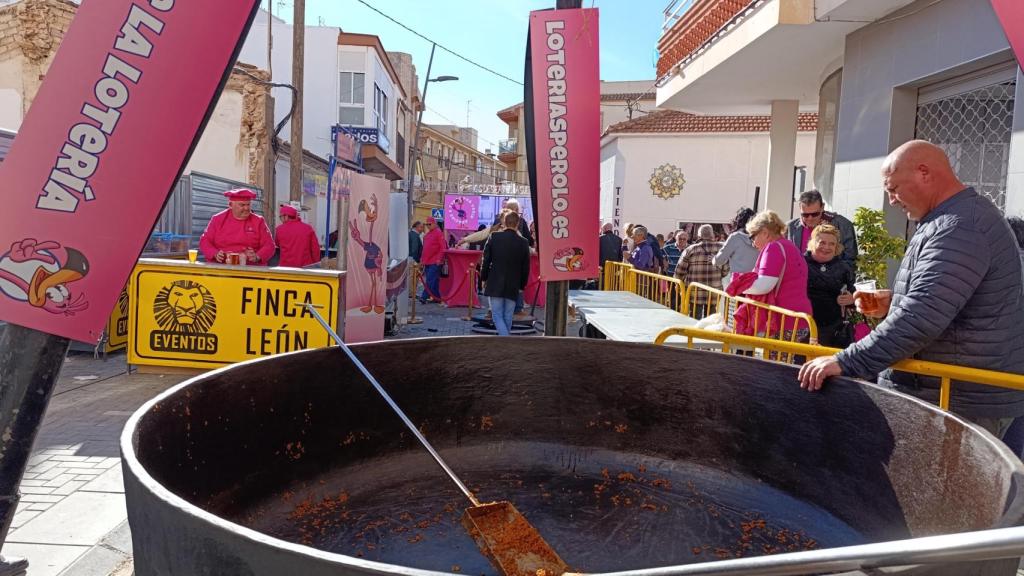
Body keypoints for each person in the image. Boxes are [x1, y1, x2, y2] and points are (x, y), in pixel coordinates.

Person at [798, 140, 1024, 438]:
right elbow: (950, 304)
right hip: (951, 395)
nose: (891, 200)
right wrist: (894, 303)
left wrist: (847, 360)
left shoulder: (961, 225)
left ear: (923, 173)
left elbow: (923, 315)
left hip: (957, 402)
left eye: (893, 189)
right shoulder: (952, 220)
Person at [743, 210, 813, 339]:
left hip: (784, 319)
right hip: (799, 317)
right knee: (785, 359)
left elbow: (764, 285)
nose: (753, 242)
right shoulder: (789, 246)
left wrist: (738, 284)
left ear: (765, 233)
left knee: (774, 359)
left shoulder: (773, 247)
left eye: (752, 236)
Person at [804, 224, 855, 347]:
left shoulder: (843, 268)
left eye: (831, 244)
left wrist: (850, 299)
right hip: (803, 327)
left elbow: (854, 294)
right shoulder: (801, 262)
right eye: (822, 242)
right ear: (812, 243)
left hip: (832, 330)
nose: (826, 247)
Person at [480, 211, 530, 336]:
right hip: (513, 284)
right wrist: (522, 286)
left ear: (504, 222)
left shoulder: (494, 237)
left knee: (497, 315)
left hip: (495, 281)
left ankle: (505, 340)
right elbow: (526, 268)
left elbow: (485, 261)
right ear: (518, 224)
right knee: (508, 316)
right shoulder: (523, 242)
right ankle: (506, 341)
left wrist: (483, 278)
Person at [199, 188, 275, 266]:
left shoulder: (258, 221)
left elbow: (269, 245)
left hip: (250, 269)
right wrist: (214, 253)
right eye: (242, 205)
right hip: (221, 268)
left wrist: (257, 256)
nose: (246, 208)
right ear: (230, 205)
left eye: (248, 204)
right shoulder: (218, 219)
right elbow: (205, 241)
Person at [786, 190, 858, 264]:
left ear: (822, 207)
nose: (810, 218)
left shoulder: (843, 225)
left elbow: (850, 260)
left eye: (814, 214)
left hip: (832, 274)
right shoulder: (790, 227)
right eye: (805, 215)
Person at [675, 224, 727, 319]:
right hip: (714, 290)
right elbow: (726, 270)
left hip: (694, 291)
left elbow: (679, 271)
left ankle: (694, 333)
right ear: (712, 235)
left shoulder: (691, 249)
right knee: (710, 319)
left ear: (699, 236)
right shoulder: (721, 249)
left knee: (694, 318)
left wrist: (679, 285)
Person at [715, 207, 759, 282]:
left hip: (738, 282)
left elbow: (719, 260)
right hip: (755, 282)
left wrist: (713, 259)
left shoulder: (735, 237)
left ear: (738, 221)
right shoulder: (760, 237)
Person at [419, 217, 445, 303]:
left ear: (434, 224)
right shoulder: (428, 234)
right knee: (433, 281)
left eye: (429, 224)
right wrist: (422, 260)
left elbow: (442, 247)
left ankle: (424, 296)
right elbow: (425, 249)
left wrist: (439, 259)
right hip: (427, 261)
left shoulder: (438, 233)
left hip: (435, 261)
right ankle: (437, 297)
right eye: (426, 224)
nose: (428, 226)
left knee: (430, 280)